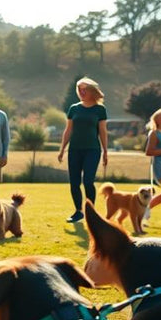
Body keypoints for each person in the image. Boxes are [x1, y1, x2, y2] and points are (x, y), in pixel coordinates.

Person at [57, 77, 109, 223]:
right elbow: (68, 130)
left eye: (84, 89)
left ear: (92, 91)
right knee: (74, 182)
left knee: (88, 181)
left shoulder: (100, 109)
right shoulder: (74, 108)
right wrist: (62, 150)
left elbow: (103, 131)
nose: (81, 92)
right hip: (74, 150)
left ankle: (91, 212)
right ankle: (78, 212)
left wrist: (105, 151)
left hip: (92, 150)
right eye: (79, 89)